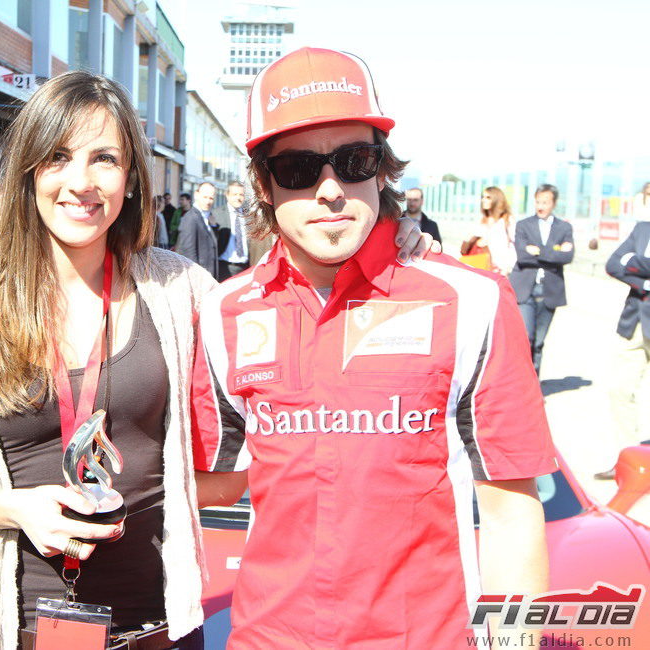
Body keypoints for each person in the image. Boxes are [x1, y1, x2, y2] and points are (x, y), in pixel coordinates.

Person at [0, 70, 433, 650]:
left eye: (105, 159)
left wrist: (389, 241)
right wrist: (16, 508)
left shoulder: (182, 291)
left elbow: (292, 297)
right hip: (14, 627)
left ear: (130, 180)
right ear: (28, 173)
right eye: (58, 157)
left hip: (162, 624)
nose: (82, 182)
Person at [191, 47, 556, 650]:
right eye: (300, 168)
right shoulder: (224, 312)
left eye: (353, 160)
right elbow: (217, 480)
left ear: (382, 169)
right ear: (262, 182)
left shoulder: (473, 301)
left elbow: (511, 515)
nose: (331, 189)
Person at [595, 221, 650, 479]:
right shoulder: (642, 229)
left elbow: (628, 264)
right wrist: (646, 283)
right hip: (636, 322)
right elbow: (613, 264)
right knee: (620, 389)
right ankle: (630, 463)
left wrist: (636, 262)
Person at [509, 184, 574, 374]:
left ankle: (534, 384)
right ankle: (522, 382)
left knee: (538, 341)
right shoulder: (524, 225)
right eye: (538, 201)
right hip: (525, 289)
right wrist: (554, 251)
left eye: (545, 202)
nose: (540, 206)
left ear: (553, 203)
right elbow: (522, 255)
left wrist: (537, 251)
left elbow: (567, 257)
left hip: (549, 291)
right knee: (526, 337)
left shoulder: (564, 227)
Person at [461, 186, 516, 274]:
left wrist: (507, 268)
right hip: (483, 266)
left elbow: (513, 245)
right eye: (483, 197)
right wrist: (476, 241)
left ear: (496, 199)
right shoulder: (482, 220)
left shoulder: (507, 220)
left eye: (488, 197)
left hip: (502, 269)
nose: (483, 200)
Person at [174, 182, 219, 277]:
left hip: (207, 275)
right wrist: (197, 277)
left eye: (211, 198)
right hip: (199, 277)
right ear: (196, 195)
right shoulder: (191, 217)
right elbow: (188, 252)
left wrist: (214, 227)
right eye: (205, 197)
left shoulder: (206, 216)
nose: (208, 201)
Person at [218, 181, 249, 280]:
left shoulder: (249, 215)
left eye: (241, 194)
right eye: (234, 194)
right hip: (225, 267)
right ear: (227, 195)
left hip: (247, 267)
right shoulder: (217, 214)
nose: (238, 197)